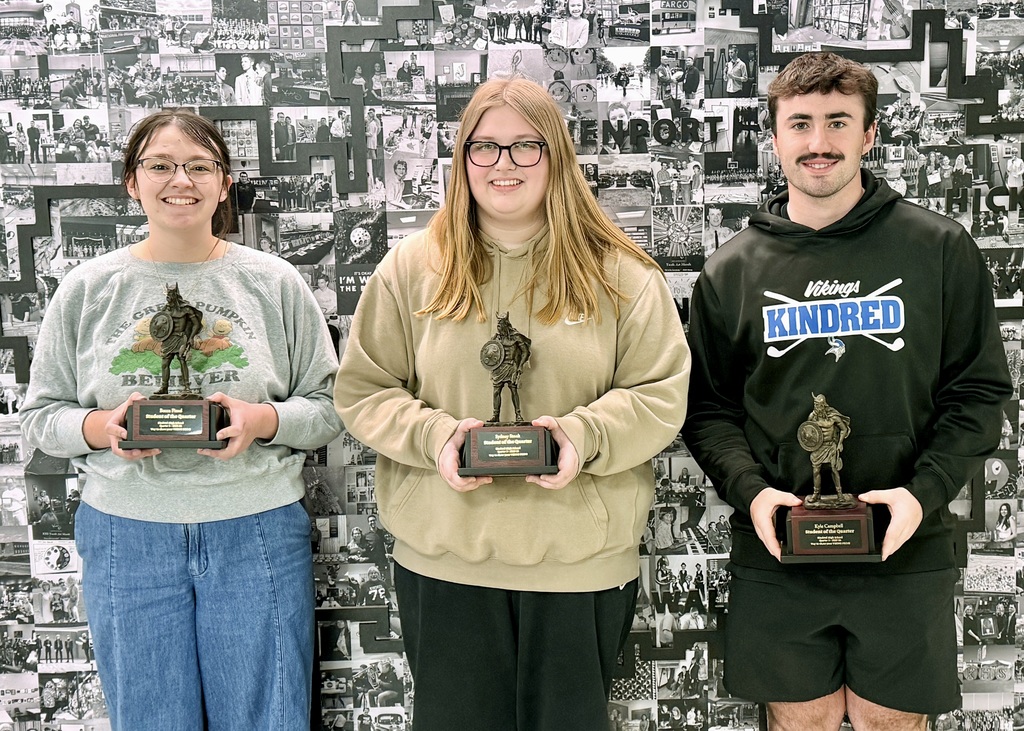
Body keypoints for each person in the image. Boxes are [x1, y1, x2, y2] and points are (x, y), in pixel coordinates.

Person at [334, 77, 690, 730]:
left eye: (525, 146)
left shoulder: (622, 274)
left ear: (556, 155)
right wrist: (435, 436)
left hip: (579, 565)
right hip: (446, 564)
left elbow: (659, 393)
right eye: (485, 147)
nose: (504, 165)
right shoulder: (411, 270)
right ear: (461, 157)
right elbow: (364, 389)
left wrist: (582, 436)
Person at [681, 52, 1012, 730]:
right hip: (779, 550)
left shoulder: (940, 248)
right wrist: (755, 494)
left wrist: (921, 497)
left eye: (838, 122)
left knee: (891, 723)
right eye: (799, 123)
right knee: (799, 721)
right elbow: (709, 412)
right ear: (774, 138)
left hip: (904, 546)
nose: (818, 141)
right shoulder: (730, 270)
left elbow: (979, 395)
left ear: (868, 135)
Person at [19, 108, 342, 730]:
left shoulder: (273, 283)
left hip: (256, 531)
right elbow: (39, 418)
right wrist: (100, 429)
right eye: (160, 165)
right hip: (126, 537)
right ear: (131, 182)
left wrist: (261, 420)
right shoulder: (87, 289)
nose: (181, 180)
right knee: (150, 718)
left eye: (199, 166)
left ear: (224, 184)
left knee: (267, 717)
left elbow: (328, 410)